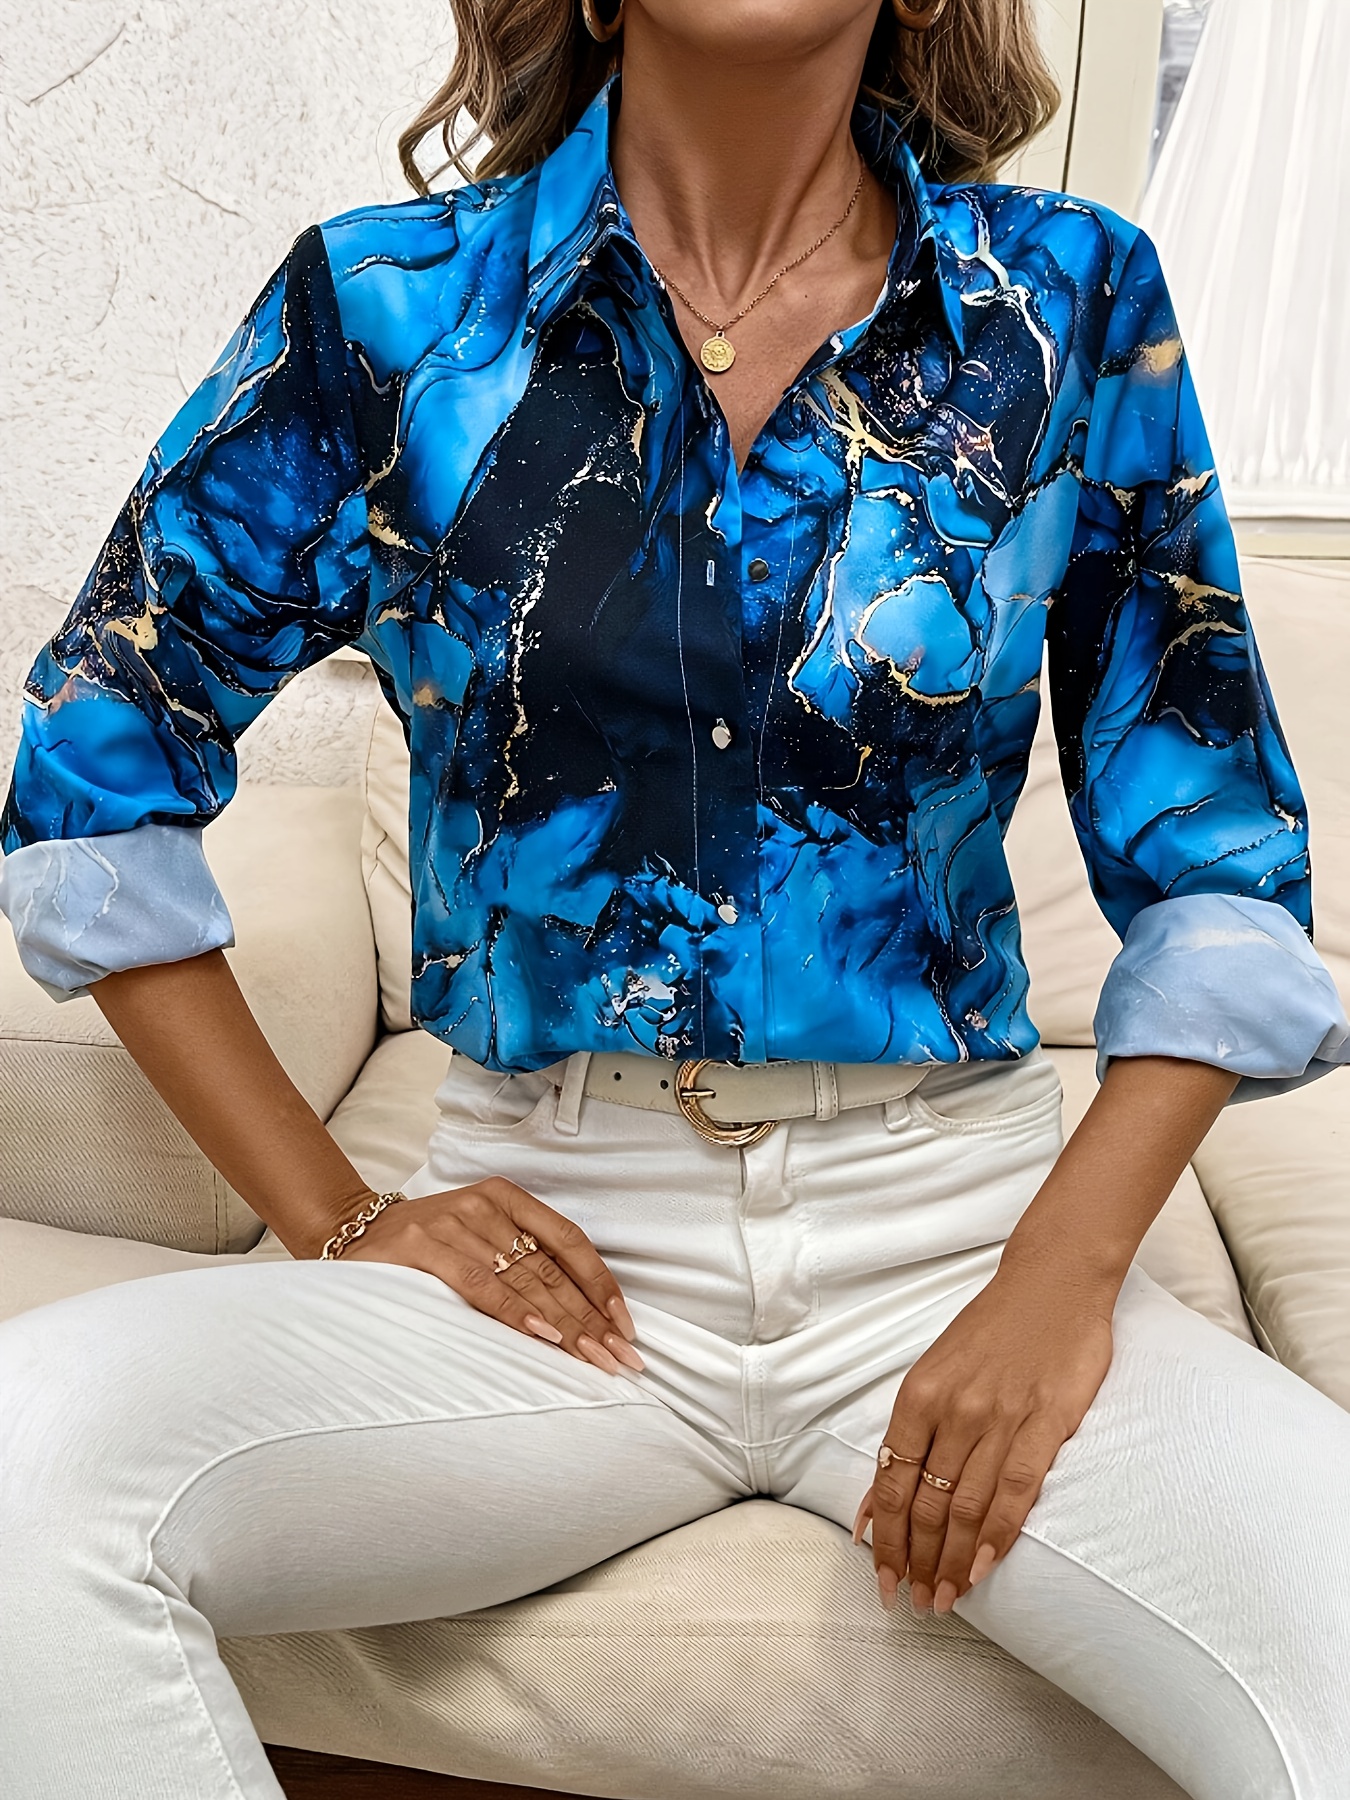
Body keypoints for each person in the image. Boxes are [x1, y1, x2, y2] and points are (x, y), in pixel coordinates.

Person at [1, 2, 1347, 1795]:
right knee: (28, 1466)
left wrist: (1058, 1279)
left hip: (954, 1236)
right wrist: (337, 1215)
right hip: (553, 1261)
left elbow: (1219, 863)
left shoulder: (1066, 300)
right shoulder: (389, 310)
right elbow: (94, 775)